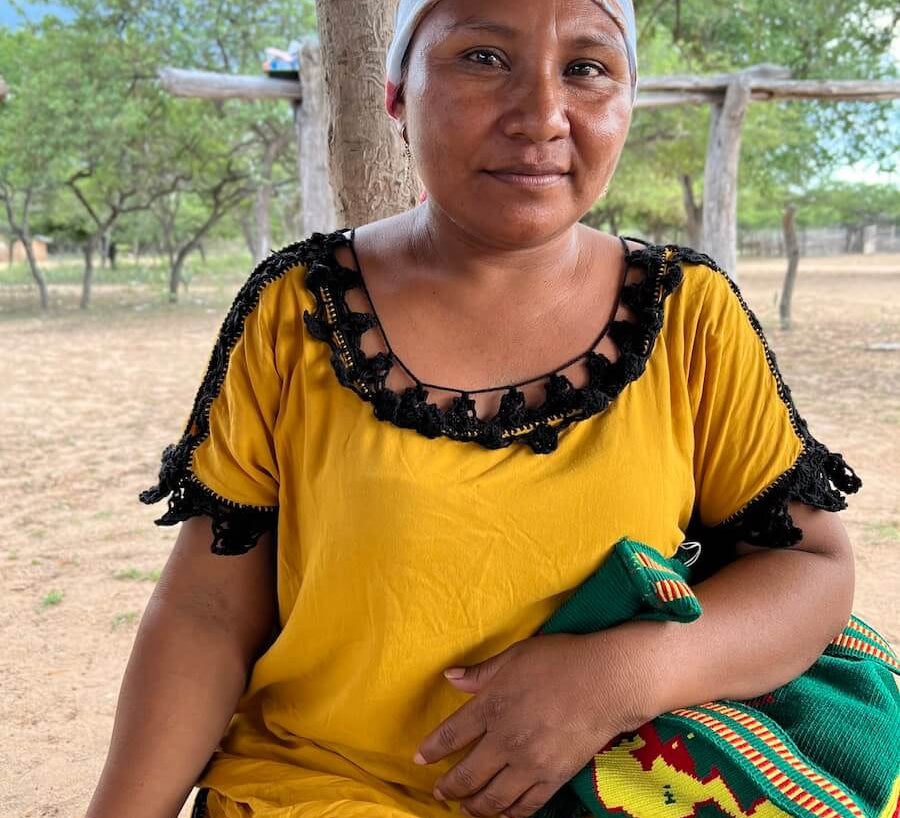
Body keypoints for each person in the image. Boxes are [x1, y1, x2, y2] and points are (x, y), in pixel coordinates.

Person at [85, 1, 862, 817]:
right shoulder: (298, 311)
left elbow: (810, 569)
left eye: (587, 68)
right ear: (396, 95)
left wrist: (624, 677)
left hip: (608, 791)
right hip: (320, 790)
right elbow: (207, 610)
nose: (542, 117)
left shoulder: (688, 318)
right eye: (484, 58)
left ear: (628, 101)